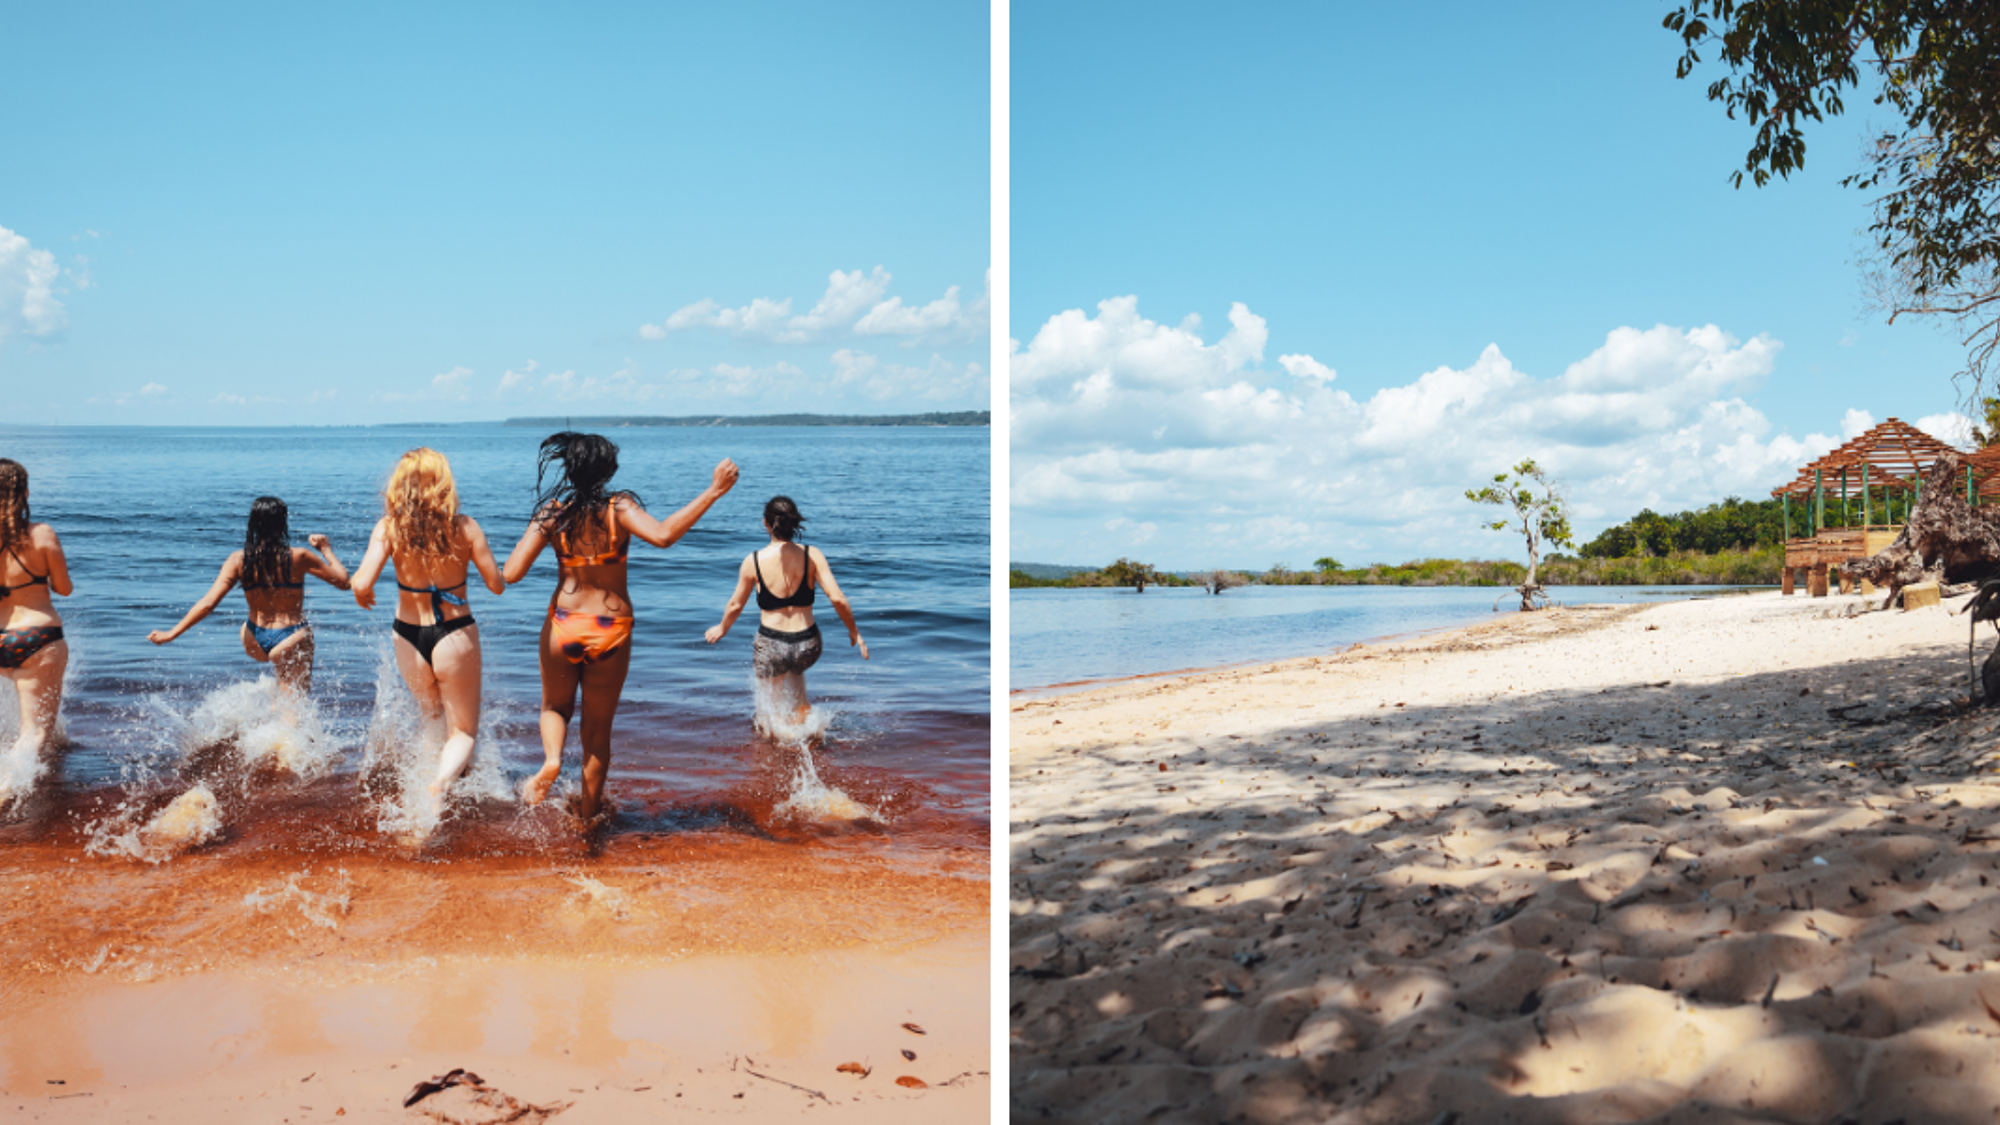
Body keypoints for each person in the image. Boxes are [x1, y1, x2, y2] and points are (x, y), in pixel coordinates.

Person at [504, 432, 739, 820]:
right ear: (607, 470)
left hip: (563, 625)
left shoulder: (552, 512)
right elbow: (663, 536)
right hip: (611, 628)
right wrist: (713, 491)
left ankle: (550, 762)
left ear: (570, 469)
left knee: (555, 708)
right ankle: (588, 819)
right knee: (597, 734)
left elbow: (511, 573)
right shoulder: (620, 508)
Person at [349, 448, 504, 811]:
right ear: (444, 484)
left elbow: (360, 582)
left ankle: (427, 782)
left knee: (431, 713)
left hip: (407, 636)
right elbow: (496, 584)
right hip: (454, 634)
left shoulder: (389, 528)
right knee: (463, 730)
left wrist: (363, 594)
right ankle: (441, 783)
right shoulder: (465, 527)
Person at [148, 496, 350, 694]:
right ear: (282, 523)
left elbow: (208, 603)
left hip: (253, 637)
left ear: (253, 524)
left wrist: (171, 634)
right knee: (295, 706)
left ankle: (266, 714)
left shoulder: (238, 560)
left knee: (282, 687)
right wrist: (326, 549)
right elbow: (344, 583)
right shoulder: (299, 556)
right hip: (290, 636)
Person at [704, 496, 867, 729]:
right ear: (794, 523)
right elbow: (838, 598)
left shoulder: (753, 561)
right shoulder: (813, 555)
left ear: (765, 523)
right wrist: (854, 632)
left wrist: (722, 628)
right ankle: (808, 728)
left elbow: (735, 605)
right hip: (808, 644)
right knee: (796, 674)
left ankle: (784, 746)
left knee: (769, 710)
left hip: (772, 643)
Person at [0, 459, 73, 770]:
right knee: (35, 731)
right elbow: (64, 588)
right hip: (38, 637)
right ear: (25, 494)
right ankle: (6, 789)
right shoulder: (42, 534)